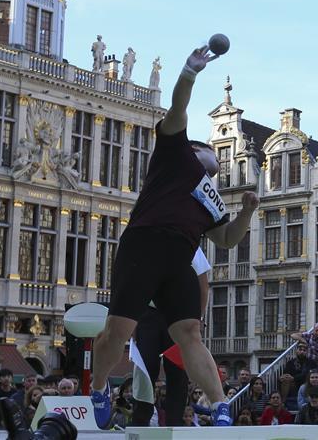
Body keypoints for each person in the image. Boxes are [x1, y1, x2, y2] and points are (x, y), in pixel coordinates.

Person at [90, 45, 258, 429]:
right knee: (119, 331)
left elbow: (228, 239)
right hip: (145, 244)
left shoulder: (211, 195)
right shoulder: (173, 152)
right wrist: (190, 71)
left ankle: (219, 407)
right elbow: (179, 107)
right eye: (210, 150)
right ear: (195, 149)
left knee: (190, 332)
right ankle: (99, 387)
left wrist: (247, 211)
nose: (217, 157)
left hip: (180, 257)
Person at [132, 247, 211, 428]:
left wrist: (197, 318)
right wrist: (133, 321)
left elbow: (203, 285)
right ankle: (139, 422)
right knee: (144, 368)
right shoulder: (146, 245)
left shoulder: (191, 245)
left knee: (177, 372)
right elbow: (136, 286)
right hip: (149, 314)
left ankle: (174, 424)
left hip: (179, 313)